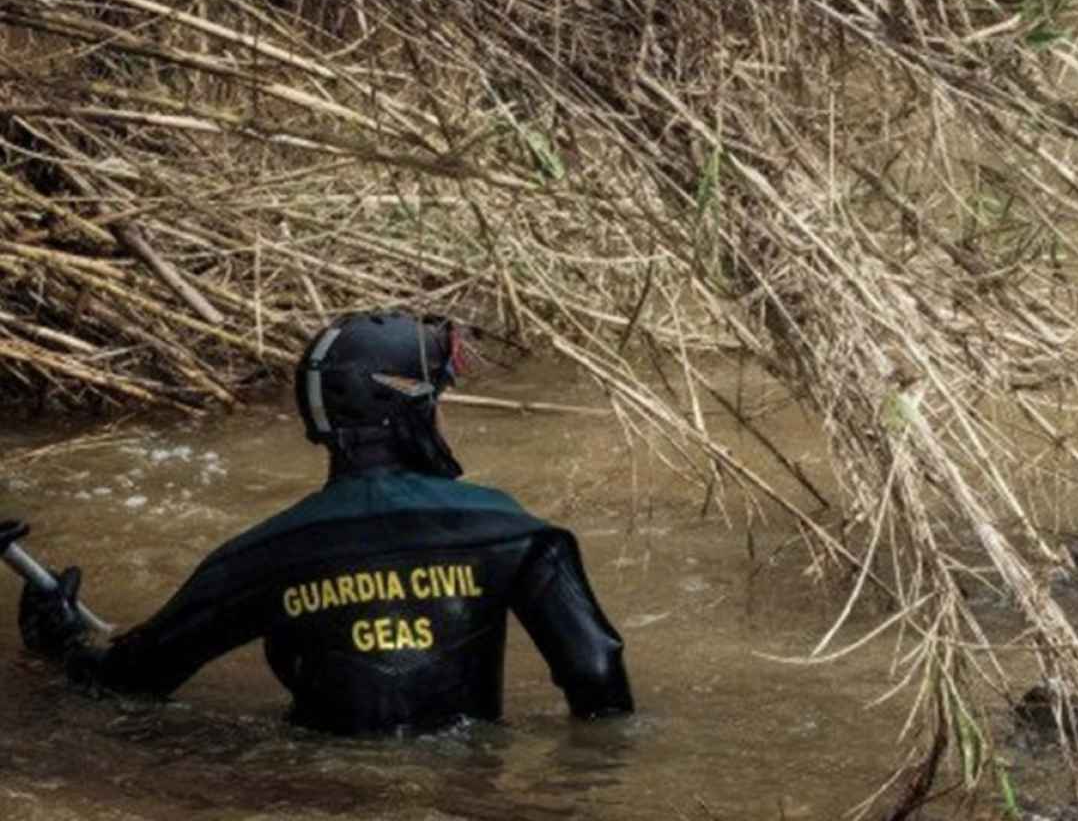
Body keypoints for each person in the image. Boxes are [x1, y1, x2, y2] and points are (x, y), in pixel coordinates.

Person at [18, 311, 634, 734]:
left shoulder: (262, 555)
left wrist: (61, 640)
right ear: (413, 411)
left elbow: (130, 682)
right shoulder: (517, 534)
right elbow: (597, 676)